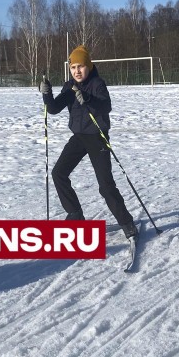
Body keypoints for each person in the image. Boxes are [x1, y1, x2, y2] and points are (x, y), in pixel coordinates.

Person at [40, 45, 137, 239]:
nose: (77, 71)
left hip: (98, 138)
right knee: (59, 173)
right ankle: (75, 215)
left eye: (81, 66)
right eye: (73, 67)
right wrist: (46, 94)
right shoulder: (69, 87)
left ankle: (127, 223)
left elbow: (106, 106)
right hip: (79, 138)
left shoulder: (97, 84)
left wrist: (88, 98)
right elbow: (53, 109)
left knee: (105, 186)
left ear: (89, 67)